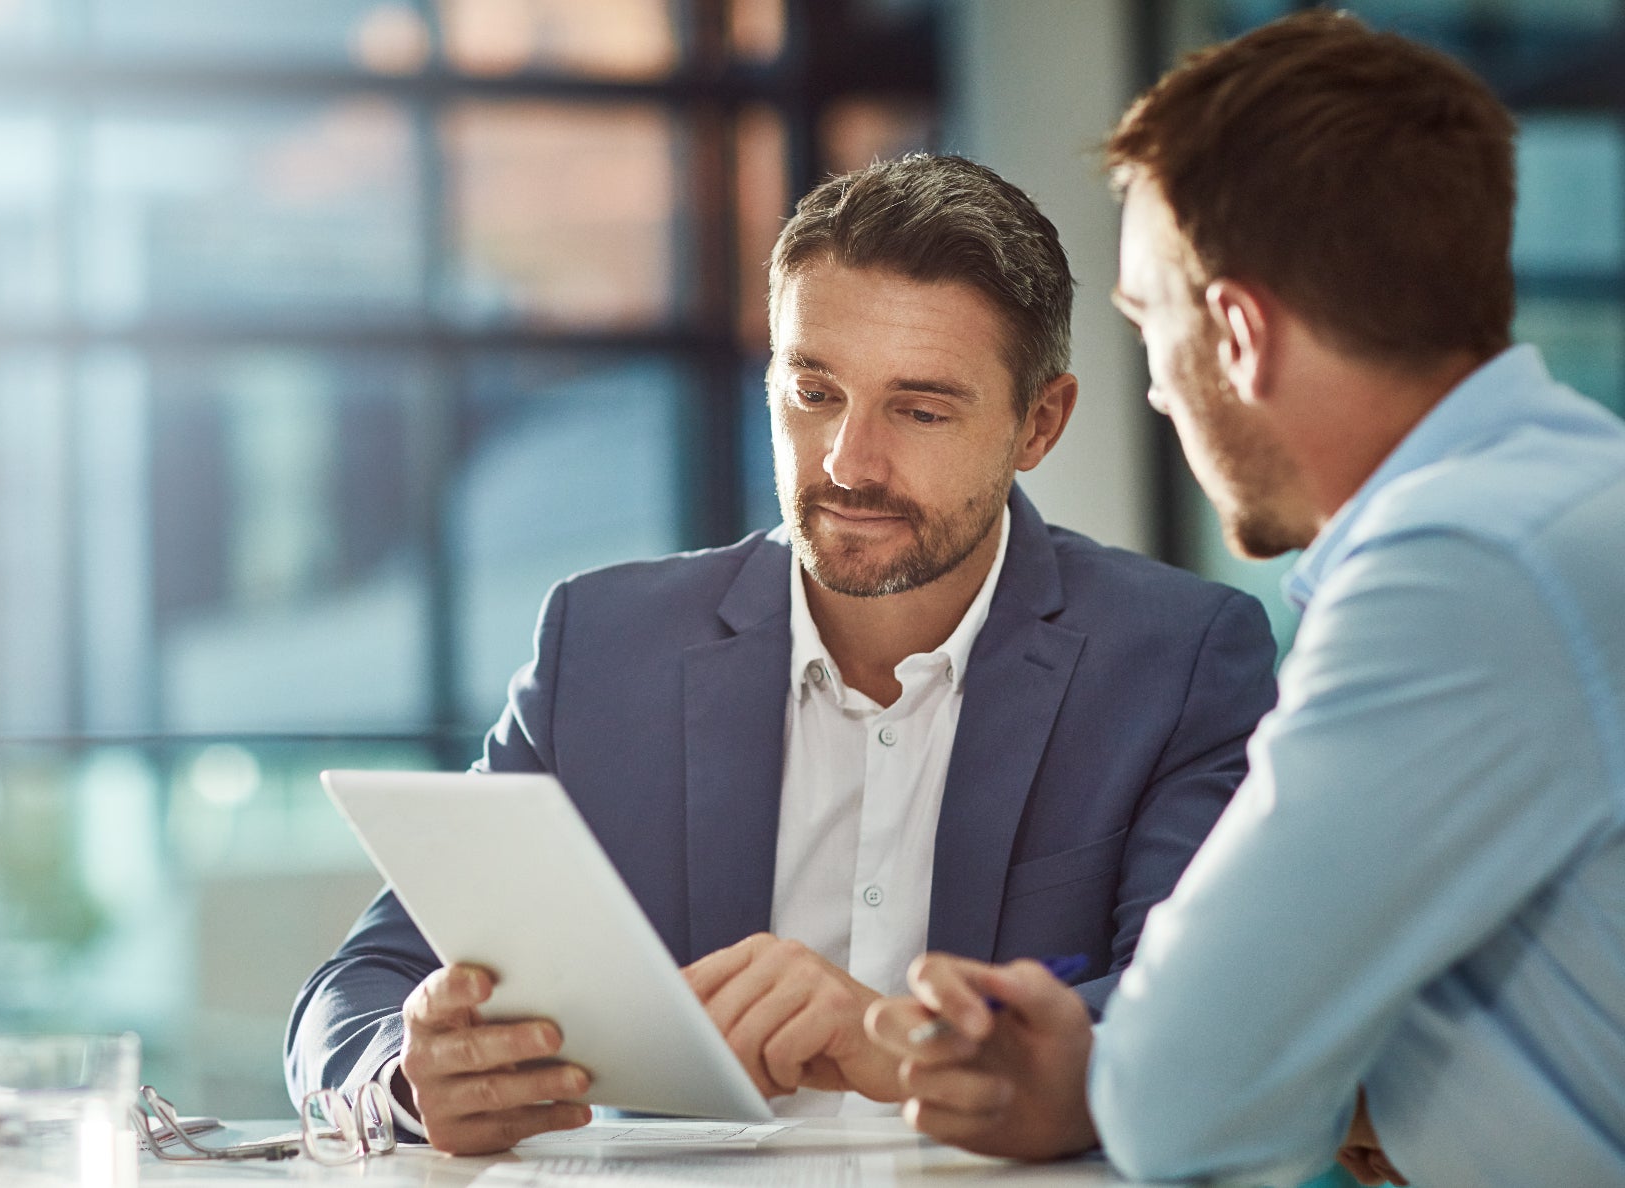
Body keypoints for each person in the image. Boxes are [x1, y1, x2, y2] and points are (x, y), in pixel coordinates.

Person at [286, 153, 1278, 1156]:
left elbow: (1208, 1020)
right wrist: (409, 1077)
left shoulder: (1178, 659)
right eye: (813, 392)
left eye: (920, 409)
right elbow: (357, 989)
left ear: (1039, 424)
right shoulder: (605, 647)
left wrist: (889, 1042)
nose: (848, 462)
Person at [865, 13, 1625, 1188]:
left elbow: (1183, 1105)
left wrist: (1099, 1075)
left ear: (1234, 331)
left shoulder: (1458, 568)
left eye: (1147, 327)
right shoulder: (1566, 500)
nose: (1160, 395)